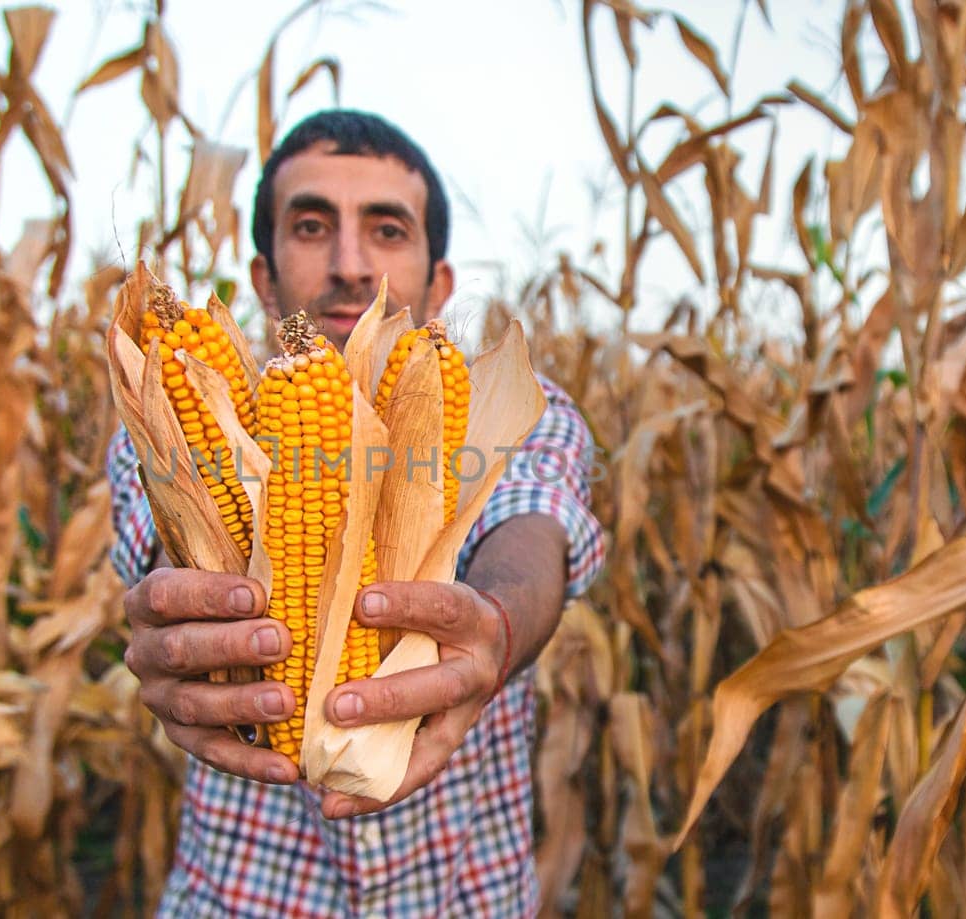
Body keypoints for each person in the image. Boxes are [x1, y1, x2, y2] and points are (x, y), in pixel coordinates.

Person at [108, 109, 605, 917]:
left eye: (386, 229)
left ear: (438, 282)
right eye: (310, 226)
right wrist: (185, 617)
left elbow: (532, 528)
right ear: (263, 278)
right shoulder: (180, 415)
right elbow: (158, 540)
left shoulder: (522, 415)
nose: (348, 263)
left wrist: (496, 625)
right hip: (242, 898)